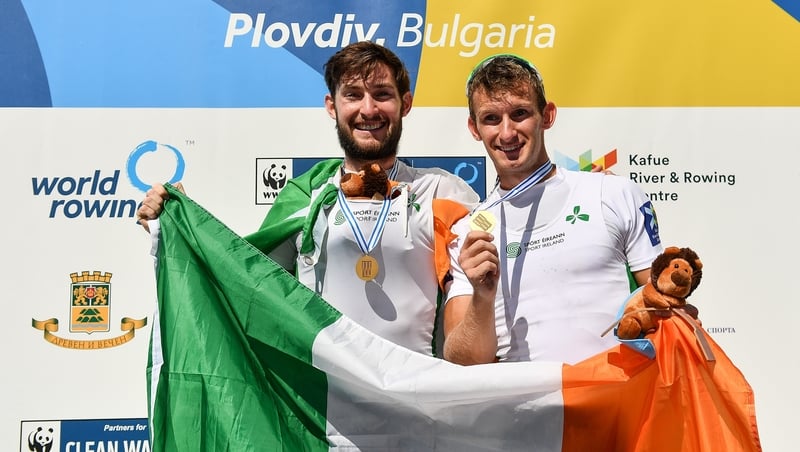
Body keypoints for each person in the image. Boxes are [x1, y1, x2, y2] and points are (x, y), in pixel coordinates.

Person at [138, 41, 479, 356]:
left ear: (405, 104)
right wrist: (182, 228)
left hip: (416, 392)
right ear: (332, 106)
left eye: (382, 94)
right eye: (353, 95)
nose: (368, 108)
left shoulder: (443, 192)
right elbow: (247, 282)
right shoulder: (306, 195)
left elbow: (492, 284)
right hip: (322, 395)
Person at [442, 54, 663, 366]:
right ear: (474, 128)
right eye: (491, 118)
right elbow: (462, 363)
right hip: (522, 399)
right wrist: (482, 296)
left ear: (547, 115)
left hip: (613, 395)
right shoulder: (468, 233)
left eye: (520, 113)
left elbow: (665, 306)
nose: (507, 133)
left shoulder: (612, 193)